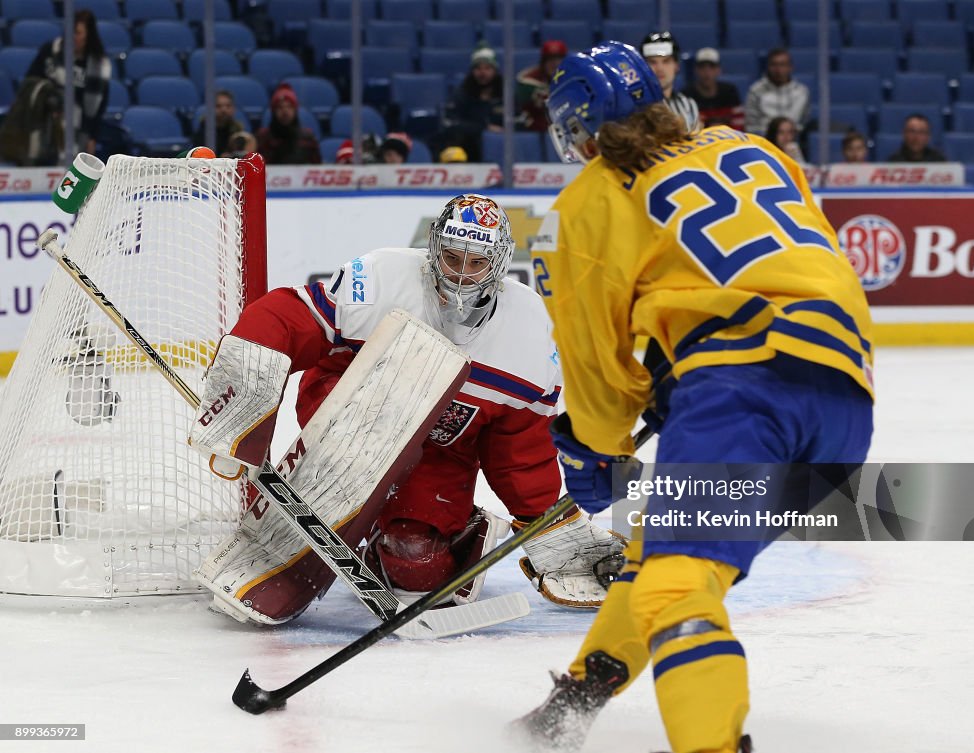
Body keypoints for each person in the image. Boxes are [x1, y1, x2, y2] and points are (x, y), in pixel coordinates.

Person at [514, 42, 874, 753]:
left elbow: (593, 364)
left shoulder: (587, 199)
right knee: (667, 551)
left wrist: (594, 446)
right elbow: (796, 256)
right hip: (845, 399)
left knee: (672, 584)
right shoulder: (749, 146)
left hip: (744, 392)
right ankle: (577, 699)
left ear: (579, 131)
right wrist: (683, 362)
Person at [190, 194, 626, 622]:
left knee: (416, 563)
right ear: (434, 247)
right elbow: (289, 317)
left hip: (440, 450)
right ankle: (294, 535)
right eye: (453, 257)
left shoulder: (527, 331)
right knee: (360, 444)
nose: (461, 274)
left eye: (477, 263)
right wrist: (244, 387)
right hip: (347, 418)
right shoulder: (383, 276)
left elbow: (520, 453)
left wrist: (550, 527)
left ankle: (430, 534)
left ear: (499, 264)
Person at [25, 8, 111, 159]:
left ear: (89, 36)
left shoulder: (99, 66)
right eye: (70, 31)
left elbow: (98, 108)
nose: (72, 37)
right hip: (42, 124)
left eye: (78, 33)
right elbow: (30, 82)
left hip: (78, 132)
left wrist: (92, 136)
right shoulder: (50, 51)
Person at [440, 45, 505, 162]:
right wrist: (483, 128)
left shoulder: (506, 94)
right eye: (478, 69)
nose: (483, 73)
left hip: (502, 147)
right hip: (469, 148)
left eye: (487, 68)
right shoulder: (462, 94)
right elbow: (450, 123)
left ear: (495, 70)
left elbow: (518, 120)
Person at [744, 47, 810, 137]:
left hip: (793, 140)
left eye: (782, 64)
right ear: (768, 67)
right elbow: (751, 125)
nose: (778, 69)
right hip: (765, 140)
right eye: (774, 64)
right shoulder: (756, 90)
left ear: (790, 67)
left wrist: (787, 135)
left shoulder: (801, 91)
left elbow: (803, 122)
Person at [639, 31, 701, 127]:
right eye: (652, 62)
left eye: (666, 61)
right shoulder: (633, 106)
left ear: (676, 66)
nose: (659, 68)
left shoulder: (689, 105)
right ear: (642, 67)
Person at [255, 83, 321, 165]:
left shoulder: (307, 139)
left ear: (295, 110)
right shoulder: (263, 138)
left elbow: (317, 167)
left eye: (289, 107)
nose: (285, 112)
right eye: (280, 107)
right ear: (273, 111)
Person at [682, 47, 744, 130]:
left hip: (729, 140)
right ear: (696, 70)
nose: (707, 72)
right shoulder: (686, 95)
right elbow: (686, 128)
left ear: (719, 70)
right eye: (702, 67)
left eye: (712, 67)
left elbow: (739, 123)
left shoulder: (730, 91)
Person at [515, 39, 568, 132]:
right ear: (543, 62)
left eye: (558, 60)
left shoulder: (572, 79)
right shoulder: (529, 81)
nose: (554, 64)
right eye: (550, 60)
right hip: (534, 131)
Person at [193, 90, 245, 157]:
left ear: (233, 108)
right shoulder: (204, 131)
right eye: (218, 106)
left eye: (228, 106)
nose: (224, 110)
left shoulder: (237, 128)